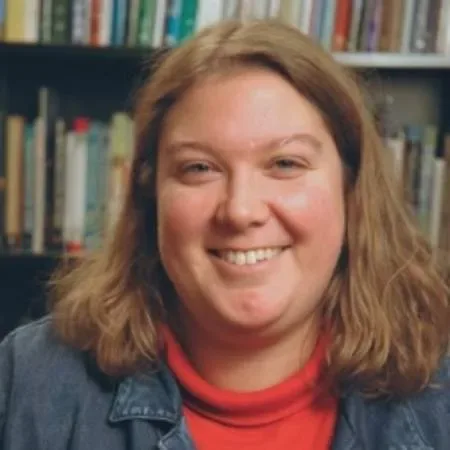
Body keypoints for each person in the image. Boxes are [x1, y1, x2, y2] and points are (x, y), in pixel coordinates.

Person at [1, 19, 449, 450]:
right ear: (151, 196)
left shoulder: (438, 398)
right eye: (199, 168)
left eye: (285, 164)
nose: (240, 210)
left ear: (351, 190)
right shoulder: (29, 382)